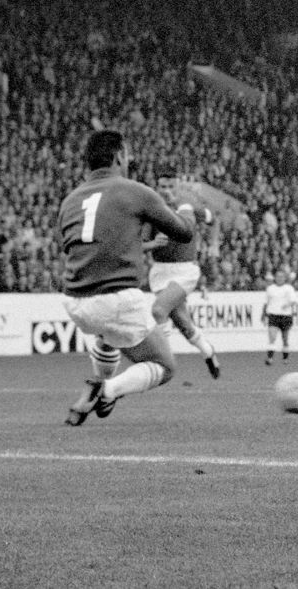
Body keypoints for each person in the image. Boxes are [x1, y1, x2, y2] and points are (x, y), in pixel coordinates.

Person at [58, 130, 194, 426]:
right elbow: (184, 233)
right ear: (120, 156)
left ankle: (99, 380)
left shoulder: (69, 200)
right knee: (164, 365)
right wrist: (185, 208)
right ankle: (105, 389)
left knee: (108, 335)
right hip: (116, 297)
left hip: (75, 302)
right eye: (128, 154)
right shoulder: (134, 191)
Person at [144, 172, 220, 379]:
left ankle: (162, 362)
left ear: (178, 188)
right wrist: (151, 244)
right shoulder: (150, 211)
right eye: (162, 186)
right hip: (160, 272)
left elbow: (214, 220)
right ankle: (208, 352)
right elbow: (137, 245)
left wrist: (213, 244)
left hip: (185, 271)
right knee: (184, 324)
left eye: (170, 186)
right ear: (157, 187)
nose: (166, 191)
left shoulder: (189, 208)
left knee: (159, 310)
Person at [263, 268, 297, 365]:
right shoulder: (270, 289)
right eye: (277, 276)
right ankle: (270, 358)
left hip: (285, 316)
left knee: (285, 339)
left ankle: (285, 358)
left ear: (285, 278)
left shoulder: (289, 288)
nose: (279, 278)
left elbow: (293, 300)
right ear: (275, 278)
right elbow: (266, 302)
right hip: (273, 315)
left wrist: (287, 305)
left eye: (281, 276)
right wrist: (264, 314)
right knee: (272, 337)